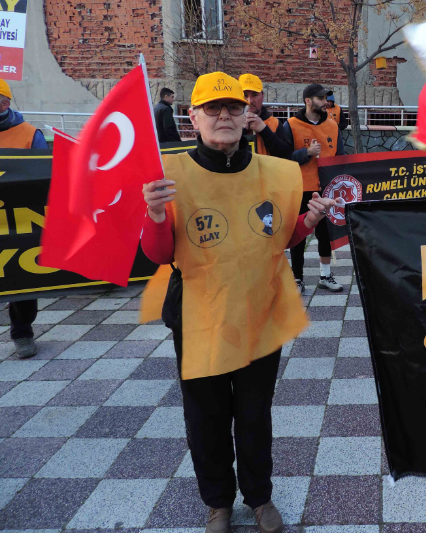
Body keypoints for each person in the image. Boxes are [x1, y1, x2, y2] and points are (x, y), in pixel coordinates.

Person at [140, 71, 337, 533]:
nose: (224, 116)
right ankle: (218, 502)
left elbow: (282, 238)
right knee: (205, 417)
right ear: (193, 118)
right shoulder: (169, 175)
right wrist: (154, 213)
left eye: (232, 107)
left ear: (247, 114)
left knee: (254, 413)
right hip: (199, 315)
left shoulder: (276, 173)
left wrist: (308, 223)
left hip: (259, 310)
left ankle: (259, 496)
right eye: (212, 108)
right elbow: (160, 255)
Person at [281, 83, 346, 292]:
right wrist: (306, 153)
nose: (326, 102)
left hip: (326, 190)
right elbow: (283, 159)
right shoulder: (291, 125)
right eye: (321, 98)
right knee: (299, 235)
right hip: (300, 189)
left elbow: (341, 157)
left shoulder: (333, 126)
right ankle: (297, 278)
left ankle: (325, 276)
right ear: (308, 101)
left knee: (325, 234)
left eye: (326, 98)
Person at [1, 79, 47, 358]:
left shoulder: (30, 135)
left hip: (18, 219)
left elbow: (42, 176)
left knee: (20, 276)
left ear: (5, 103)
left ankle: (22, 333)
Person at [238, 74, 290, 157]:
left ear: (262, 96)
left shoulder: (274, 123)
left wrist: (264, 130)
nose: (250, 101)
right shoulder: (231, 122)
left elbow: (287, 155)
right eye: (245, 95)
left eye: (255, 95)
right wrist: (242, 130)